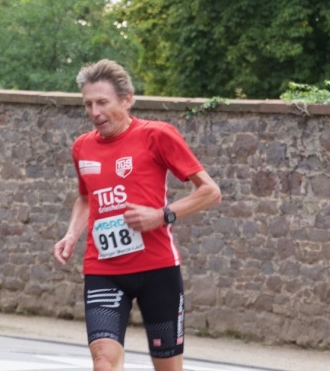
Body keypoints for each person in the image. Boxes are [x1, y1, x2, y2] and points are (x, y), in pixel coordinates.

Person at [53, 59, 222, 371]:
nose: (94, 112)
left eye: (102, 102)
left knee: (167, 367)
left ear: (127, 100)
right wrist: (71, 234)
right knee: (103, 361)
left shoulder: (157, 135)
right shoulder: (82, 147)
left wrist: (162, 215)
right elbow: (86, 198)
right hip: (103, 269)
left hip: (157, 269)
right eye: (88, 104)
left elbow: (210, 191)